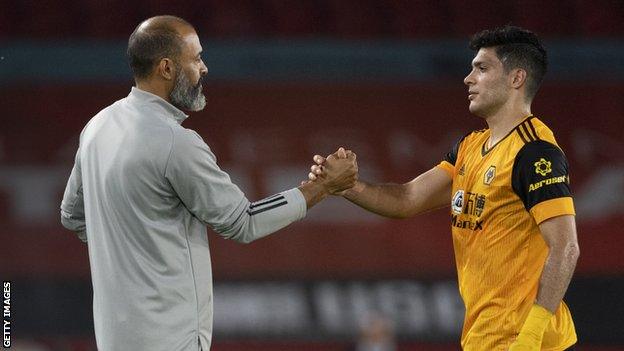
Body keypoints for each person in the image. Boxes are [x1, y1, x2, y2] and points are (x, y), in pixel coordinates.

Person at [60, 15, 357, 351]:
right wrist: (322, 188)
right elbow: (243, 222)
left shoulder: (97, 127)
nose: (204, 68)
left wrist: (129, 245)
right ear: (167, 68)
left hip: (113, 339)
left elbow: (72, 216)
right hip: (171, 341)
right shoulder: (175, 142)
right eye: (197, 58)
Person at [310, 26, 579, 350]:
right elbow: (408, 198)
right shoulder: (469, 148)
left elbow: (565, 248)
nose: (468, 78)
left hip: (529, 344)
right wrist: (347, 186)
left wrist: (531, 338)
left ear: (516, 79)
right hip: (483, 340)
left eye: (481, 68)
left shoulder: (535, 153)